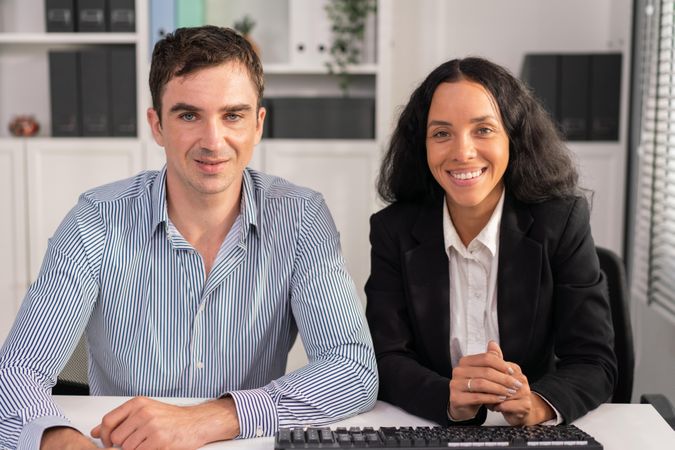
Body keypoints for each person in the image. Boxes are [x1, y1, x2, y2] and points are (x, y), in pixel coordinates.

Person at [0, 26, 377, 450]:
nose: (213, 142)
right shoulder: (96, 221)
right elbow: (17, 373)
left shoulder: (302, 218)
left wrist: (211, 418)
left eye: (232, 115)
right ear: (157, 125)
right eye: (188, 115)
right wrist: (60, 441)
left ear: (258, 124)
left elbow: (352, 368)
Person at [365, 57, 617, 427]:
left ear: (513, 138)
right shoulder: (393, 230)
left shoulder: (561, 221)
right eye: (441, 133)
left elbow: (594, 361)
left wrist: (538, 404)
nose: (462, 152)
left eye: (483, 130)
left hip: (528, 434)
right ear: (422, 145)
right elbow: (385, 357)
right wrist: (448, 400)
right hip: (431, 429)